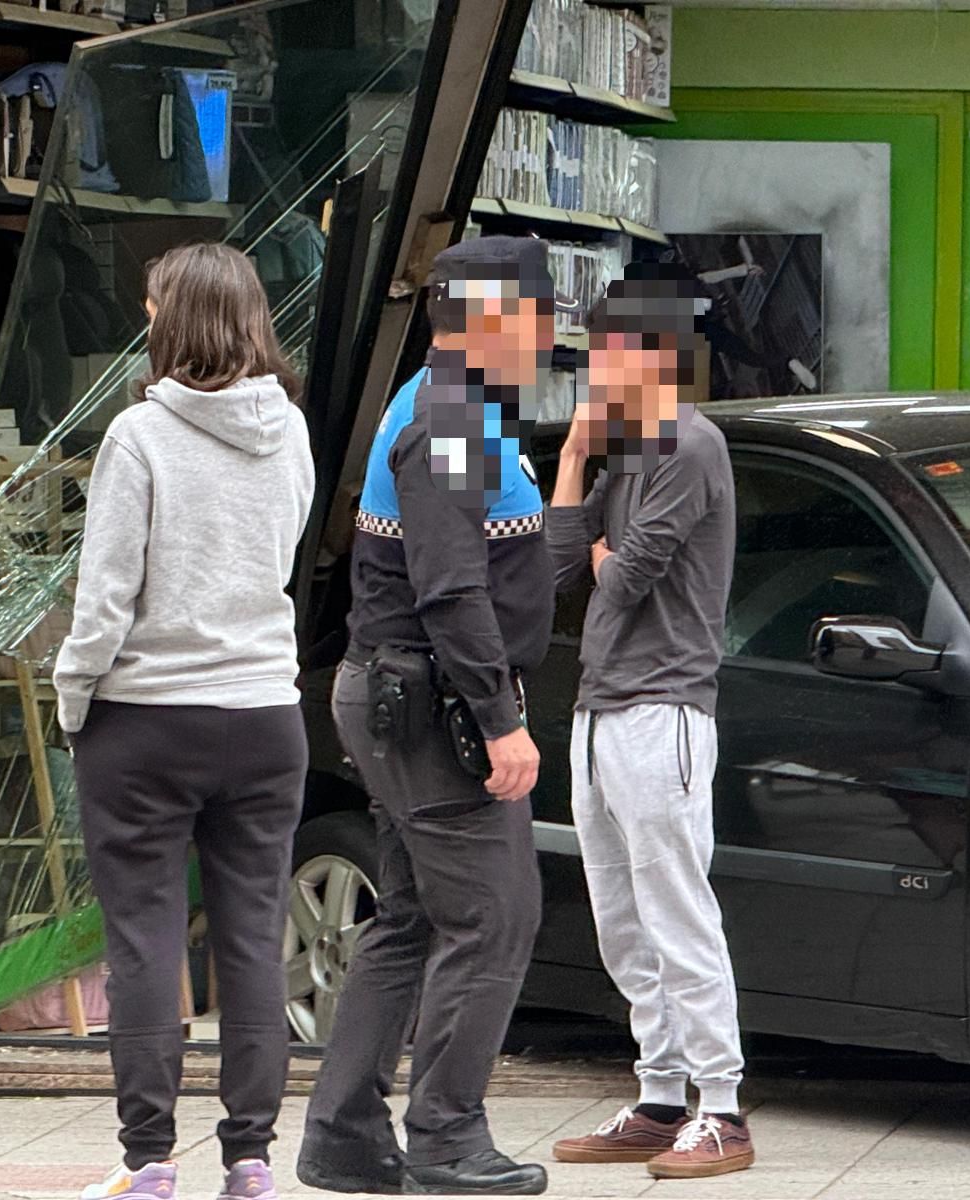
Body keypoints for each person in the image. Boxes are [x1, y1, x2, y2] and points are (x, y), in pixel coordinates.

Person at [295, 237, 557, 1198]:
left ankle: (343, 1138)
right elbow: (451, 590)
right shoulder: (449, 417)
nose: (549, 334)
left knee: (410, 919)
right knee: (494, 916)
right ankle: (446, 1135)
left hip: (406, 695)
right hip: (433, 704)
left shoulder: (452, 405)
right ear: (492, 317)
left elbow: (498, 559)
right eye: (538, 314)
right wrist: (499, 719)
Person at [54, 243, 316, 1200]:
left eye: (150, 305)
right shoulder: (287, 427)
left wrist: (73, 696)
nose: (144, 318)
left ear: (172, 320)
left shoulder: (139, 437)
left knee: (145, 941)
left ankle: (149, 1160)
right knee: (252, 938)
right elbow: (281, 553)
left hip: (146, 720)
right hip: (262, 715)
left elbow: (105, 596)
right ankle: (249, 1157)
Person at [547, 270, 753, 1179]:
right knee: (621, 919)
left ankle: (723, 1107)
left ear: (645, 356)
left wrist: (600, 553)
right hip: (599, 710)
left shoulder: (690, 446)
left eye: (600, 354)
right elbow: (565, 564)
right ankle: (660, 1092)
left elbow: (627, 577)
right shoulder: (627, 450)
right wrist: (572, 460)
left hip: (663, 709)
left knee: (677, 911)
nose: (590, 371)